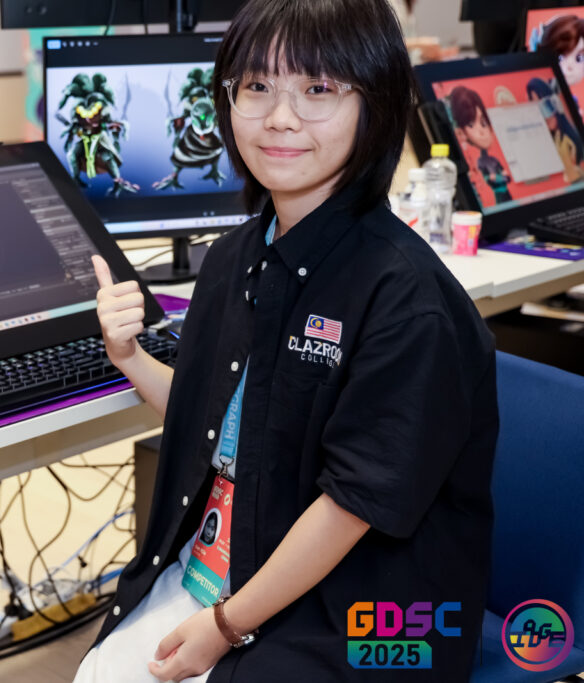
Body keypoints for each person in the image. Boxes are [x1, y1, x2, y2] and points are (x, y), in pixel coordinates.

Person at [76, 0, 498, 681]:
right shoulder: (234, 258)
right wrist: (129, 358)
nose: (279, 116)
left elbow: (350, 506)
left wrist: (224, 626)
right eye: (257, 85)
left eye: (318, 88)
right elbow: (218, 421)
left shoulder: (407, 302)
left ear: (375, 104)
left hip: (363, 615)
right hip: (231, 566)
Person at [449, 85, 513, 205]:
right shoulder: (478, 162)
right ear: (461, 132)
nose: (482, 132)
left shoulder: (494, 158)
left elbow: (507, 178)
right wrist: (498, 177)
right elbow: (491, 179)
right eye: (471, 125)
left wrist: (498, 177)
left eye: (483, 122)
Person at [526, 77, 584, 183]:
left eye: (546, 107)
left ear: (556, 103)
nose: (545, 117)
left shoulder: (574, 138)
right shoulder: (548, 143)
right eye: (537, 110)